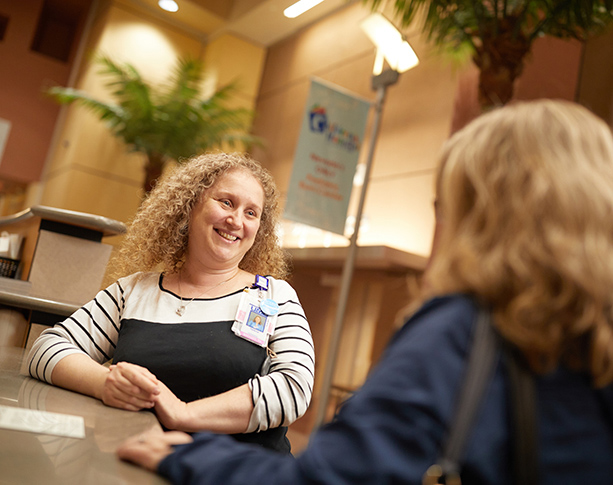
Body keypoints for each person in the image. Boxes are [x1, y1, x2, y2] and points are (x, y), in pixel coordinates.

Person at [117, 100, 613, 484]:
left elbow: (330, 464)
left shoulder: (459, 333)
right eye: (225, 203)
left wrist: (192, 454)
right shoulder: (594, 337)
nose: (236, 221)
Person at [26, 152, 315, 453]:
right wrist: (105, 382)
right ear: (190, 207)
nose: (236, 220)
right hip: (138, 468)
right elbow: (46, 349)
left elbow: (293, 390)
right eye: (226, 202)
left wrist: (183, 414)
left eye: (251, 212)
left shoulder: (274, 296)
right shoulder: (135, 290)